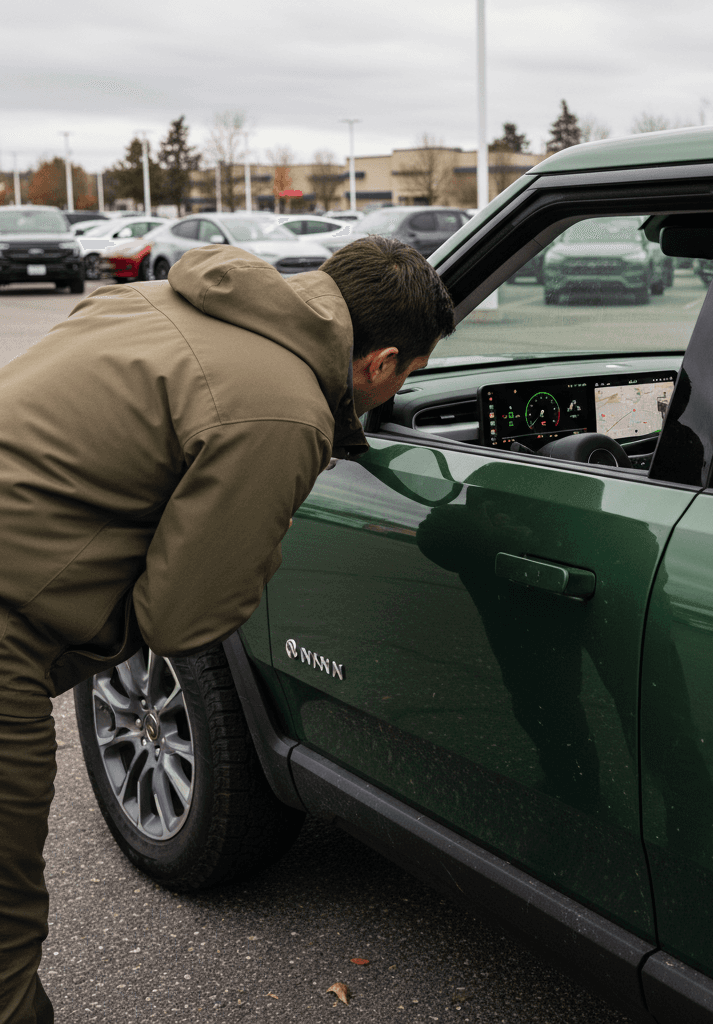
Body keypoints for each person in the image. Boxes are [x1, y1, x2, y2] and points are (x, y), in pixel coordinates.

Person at [0, 235, 455, 1024]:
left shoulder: (154, 298)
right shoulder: (282, 410)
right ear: (380, 363)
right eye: (410, 375)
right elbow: (183, 618)